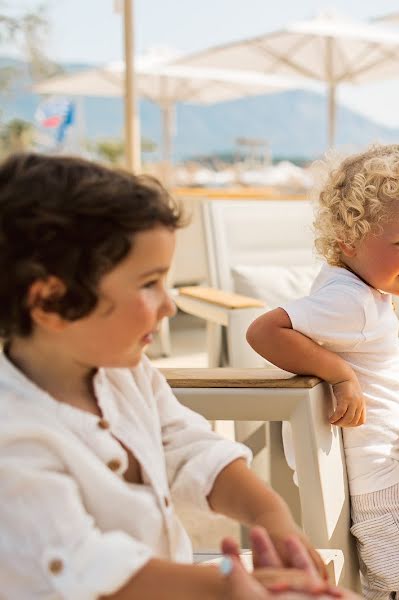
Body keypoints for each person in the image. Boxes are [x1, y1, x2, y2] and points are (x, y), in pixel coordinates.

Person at [0, 153, 325, 599]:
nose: (170, 306)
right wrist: (227, 588)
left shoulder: (126, 372)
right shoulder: (12, 436)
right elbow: (78, 567)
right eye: (150, 283)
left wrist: (271, 513)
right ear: (51, 302)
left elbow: (186, 445)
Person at [246, 144, 399, 600]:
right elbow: (264, 330)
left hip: (366, 476)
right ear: (350, 240)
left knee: (393, 583)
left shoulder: (347, 286)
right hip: (375, 483)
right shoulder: (352, 301)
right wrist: (341, 375)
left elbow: (363, 343)